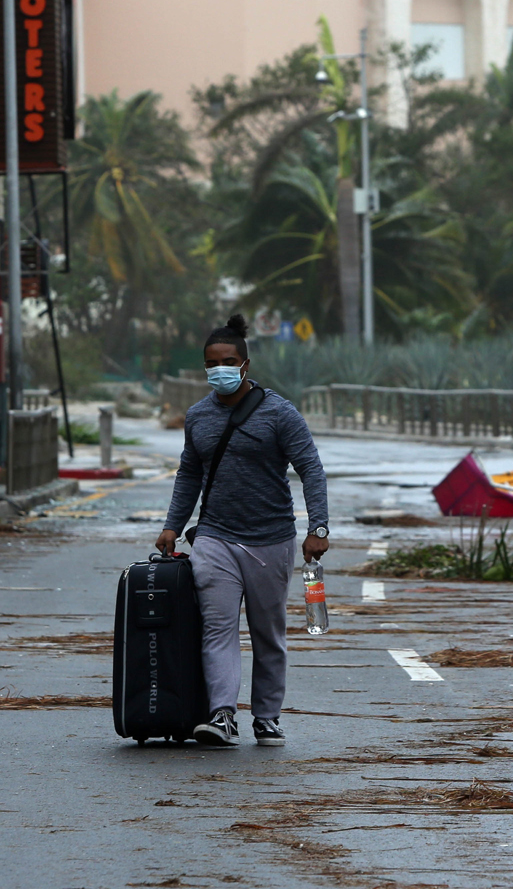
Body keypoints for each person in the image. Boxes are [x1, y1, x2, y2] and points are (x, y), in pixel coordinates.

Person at [158, 314, 329, 747]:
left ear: (245, 365)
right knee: (217, 628)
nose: (220, 368)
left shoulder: (279, 413)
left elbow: (311, 469)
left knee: (268, 633)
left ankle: (267, 717)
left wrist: (318, 527)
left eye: (228, 360)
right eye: (212, 362)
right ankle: (222, 714)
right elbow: (189, 474)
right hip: (214, 537)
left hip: (270, 539)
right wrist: (172, 525)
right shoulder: (198, 416)